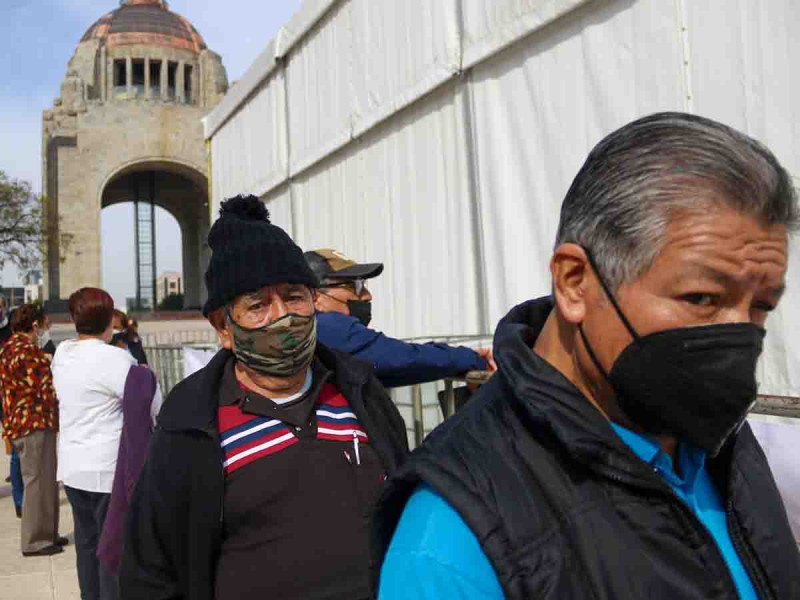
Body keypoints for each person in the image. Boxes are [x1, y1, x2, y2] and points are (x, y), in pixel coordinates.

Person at [376, 112, 800, 599]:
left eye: (762, 306)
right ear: (574, 281)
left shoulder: (719, 442)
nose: (739, 335)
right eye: (702, 298)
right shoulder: (453, 543)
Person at [120, 195, 409, 600]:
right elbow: (151, 571)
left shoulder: (360, 391)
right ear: (223, 327)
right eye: (258, 305)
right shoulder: (190, 425)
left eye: (294, 296)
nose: (282, 316)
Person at [53, 288, 158, 600]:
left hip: (73, 466)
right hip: (107, 469)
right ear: (110, 319)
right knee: (112, 549)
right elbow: (152, 403)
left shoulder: (63, 354)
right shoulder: (116, 359)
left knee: (86, 545)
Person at [305, 249, 496, 387]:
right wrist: (471, 359)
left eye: (363, 285)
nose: (367, 296)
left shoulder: (314, 332)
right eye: (354, 286)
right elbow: (404, 358)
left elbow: (391, 365)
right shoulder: (327, 327)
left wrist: (458, 358)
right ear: (316, 298)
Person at [0, 303, 66, 556]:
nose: (45, 330)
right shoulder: (26, 351)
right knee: (37, 482)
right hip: (33, 422)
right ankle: (35, 540)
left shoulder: (9, 348)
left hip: (25, 422)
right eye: (44, 324)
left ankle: (48, 533)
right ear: (35, 325)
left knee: (45, 480)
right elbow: (43, 387)